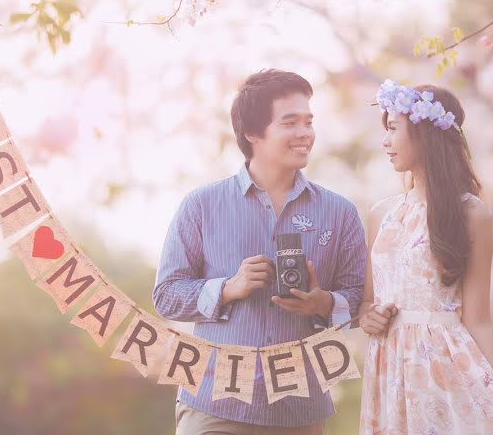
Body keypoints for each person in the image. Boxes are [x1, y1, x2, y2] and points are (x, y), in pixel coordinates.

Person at [153, 69, 367, 434]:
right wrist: (226, 288)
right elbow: (165, 296)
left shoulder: (340, 212)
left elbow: (360, 299)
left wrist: (323, 304)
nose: (305, 133)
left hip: (301, 410)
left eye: (308, 122)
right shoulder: (201, 205)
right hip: (214, 405)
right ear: (253, 133)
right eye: (290, 123)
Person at [358, 80, 493, 435]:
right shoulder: (381, 214)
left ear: (424, 134)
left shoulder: (471, 214)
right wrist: (370, 317)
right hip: (390, 368)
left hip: (444, 370)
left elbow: (479, 320)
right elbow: (367, 303)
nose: (385, 141)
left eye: (393, 129)